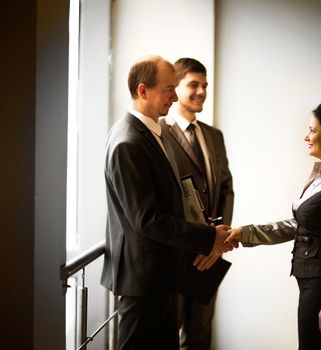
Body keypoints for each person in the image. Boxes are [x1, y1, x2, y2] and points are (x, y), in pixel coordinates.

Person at [100, 55, 232, 350]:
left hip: (161, 274)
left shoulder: (149, 132)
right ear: (143, 90)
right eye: (168, 89)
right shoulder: (128, 141)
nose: (175, 97)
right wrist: (208, 237)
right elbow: (146, 219)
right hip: (144, 279)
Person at [225, 102, 321, 350]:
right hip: (314, 283)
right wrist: (246, 233)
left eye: (312, 130)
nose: (306, 136)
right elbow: (299, 225)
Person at [159, 58, 234, 350]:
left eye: (204, 85)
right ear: (175, 88)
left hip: (209, 253)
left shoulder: (214, 136)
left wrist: (218, 242)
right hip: (173, 253)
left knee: (201, 336)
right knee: (167, 335)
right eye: (193, 85)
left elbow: (226, 189)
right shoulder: (159, 133)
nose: (201, 91)